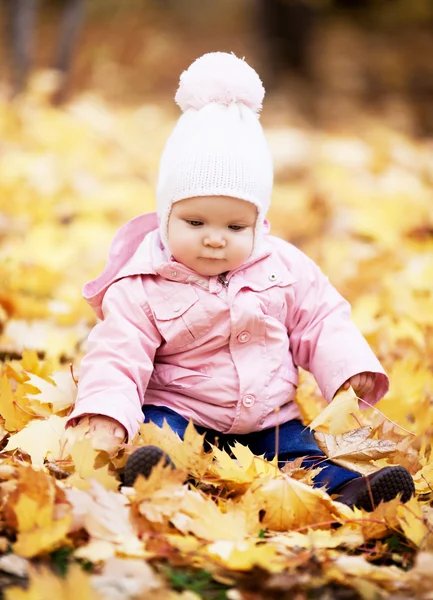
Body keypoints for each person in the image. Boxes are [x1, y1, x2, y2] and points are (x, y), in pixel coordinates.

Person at [66, 52, 414, 510]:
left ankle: (345, 491)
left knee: (301, 454)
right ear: (166, 215)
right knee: (161, 436)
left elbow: (323, 319)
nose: (214, 240)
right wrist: (104, 414)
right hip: (181, 411)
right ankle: (162, 478)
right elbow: (118, 354)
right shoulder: (143, 283)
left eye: (234, 228)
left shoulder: (284, 268)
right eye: (195, 222)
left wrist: (349, 367)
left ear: (258, 222)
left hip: (269, 417)